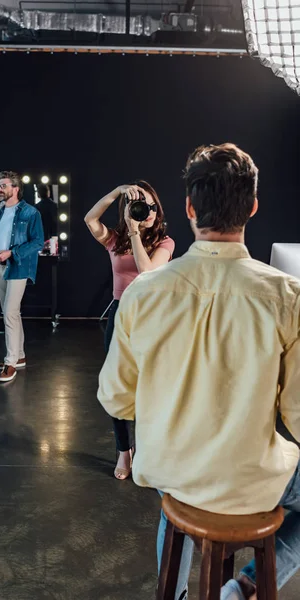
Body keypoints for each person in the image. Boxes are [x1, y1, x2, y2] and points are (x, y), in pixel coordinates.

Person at [97, 143, 300, 600]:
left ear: (189, 207)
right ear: (252, 206)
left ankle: (175, 594)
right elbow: (298, 413)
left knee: (177, 492)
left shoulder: (144, 294)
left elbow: (115, 398)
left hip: (170, 469)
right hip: (252, 479)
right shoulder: (288, 296)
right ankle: (244, 586)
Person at [85, 181, 175, 479]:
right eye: (141, 205)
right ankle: (124, 451)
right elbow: (90, 219)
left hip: (153, 317)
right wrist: (116, 193)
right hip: (120, 313)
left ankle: (151, 449)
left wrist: (135, 231)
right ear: (130, 209)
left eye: (151, 206)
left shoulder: (165, 243)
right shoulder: (115, 240)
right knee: (118, 386)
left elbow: (147, 272)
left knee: (152, 387)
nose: (147, 211)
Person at [0, 171, 44, 383]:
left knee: (10, 313)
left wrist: (12, 253)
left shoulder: (31, 213)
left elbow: (38, 242)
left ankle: (10, 361)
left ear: (16, 188)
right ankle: (19, 355)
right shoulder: (0, 211)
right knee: (10, 312)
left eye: (3, 185)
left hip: (17, 267)